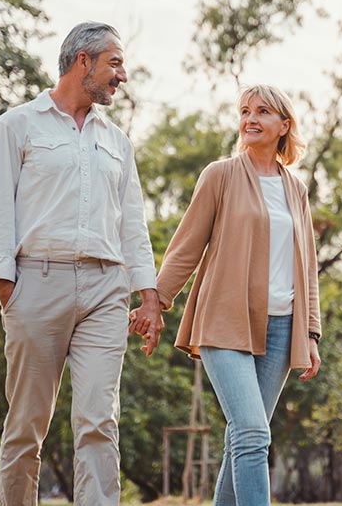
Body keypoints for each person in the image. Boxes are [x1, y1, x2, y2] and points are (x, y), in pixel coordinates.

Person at [0, 22, 163, 506]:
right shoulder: (16, 125)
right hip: (36, 284)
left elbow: (132, 224)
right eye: (115, 63)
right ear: (84, 61)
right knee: (26, 425)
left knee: (100, 421)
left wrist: (149, 295)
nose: (121, 75)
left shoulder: (118, 141)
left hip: (105, 290)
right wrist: (7, 288)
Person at [139, 84, 322, 506]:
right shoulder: (219, 175)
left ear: (284, 125)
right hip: (225, 321)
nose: (250, 119)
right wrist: (156, 301)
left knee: (242, 436)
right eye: (244, 111)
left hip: (281, 328)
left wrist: (310, 334)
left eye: (262, 111)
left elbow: (308, 267)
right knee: (254, 432)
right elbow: (186, 246)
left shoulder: (296, 189)